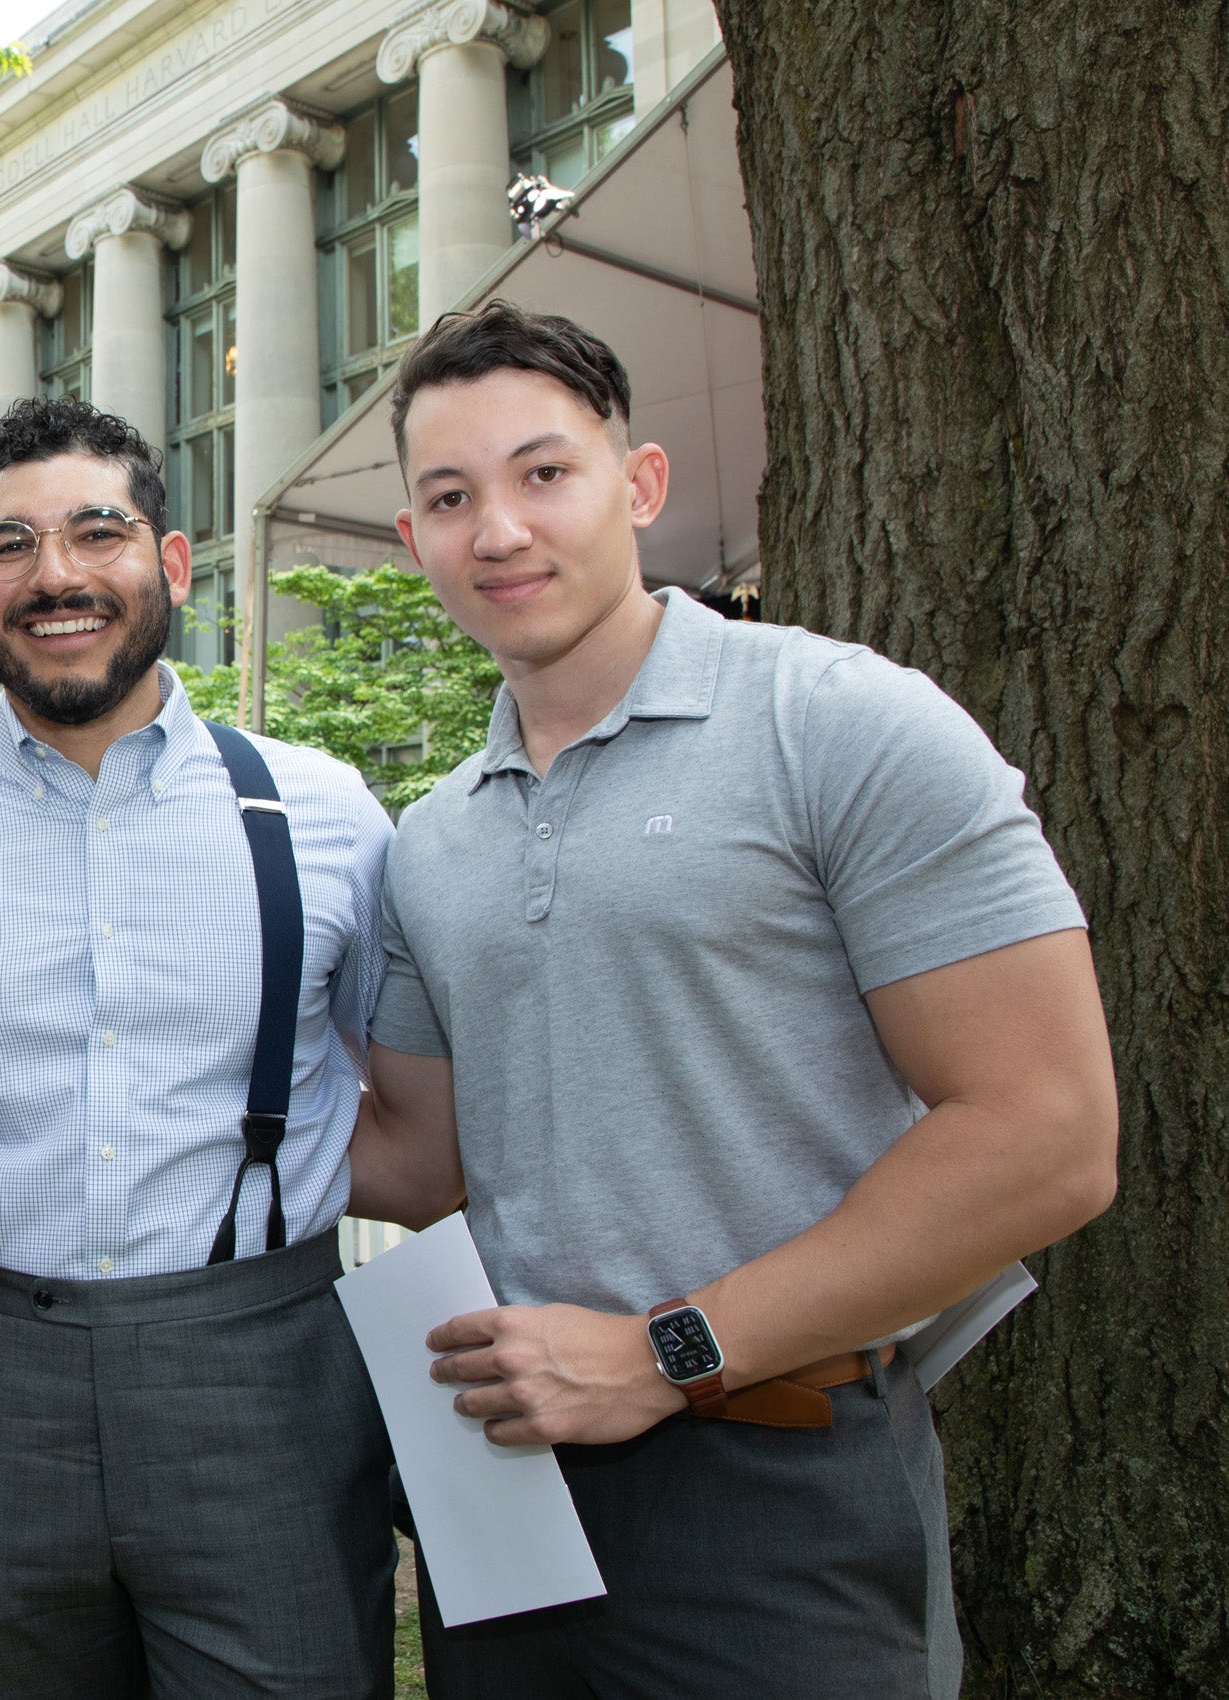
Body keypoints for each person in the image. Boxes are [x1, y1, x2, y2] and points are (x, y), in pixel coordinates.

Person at [349, 301, 1118, 1698]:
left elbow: (1046, 1134)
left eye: (542, 474)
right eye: (449, 498)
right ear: (412, 543)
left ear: (637, 483)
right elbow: (419, 1159)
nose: (498, 531)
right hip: (506, 1494)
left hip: (780, 1480)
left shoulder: (840, 723)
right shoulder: (427, 841)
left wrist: (663, 1354)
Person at [0, 396, 401, 1699]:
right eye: (11, 546)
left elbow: (409, 1104)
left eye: (97, 533)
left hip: (267, 1372)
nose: (57, 576)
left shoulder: (323, 815)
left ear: (171, 562)